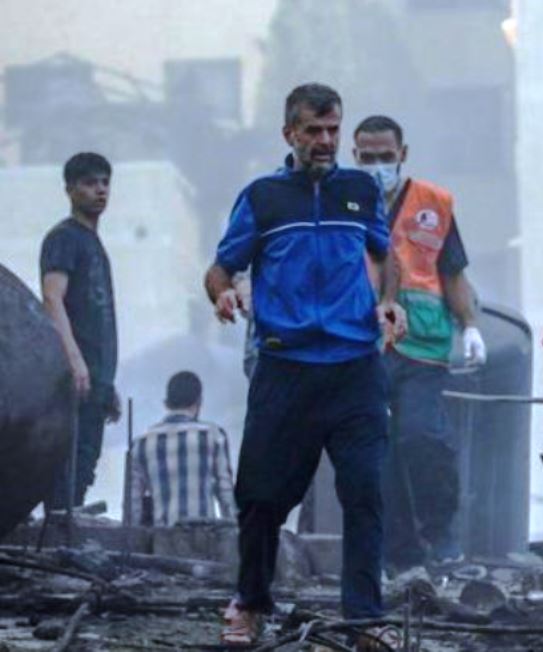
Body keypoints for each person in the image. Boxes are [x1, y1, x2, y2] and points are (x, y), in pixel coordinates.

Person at [204, 83, 406, 649]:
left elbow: (385, 254)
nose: (324, 140)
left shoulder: (360, 190)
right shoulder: (263, 197)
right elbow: (220, 268)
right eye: (313, 130)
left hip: (354, 369)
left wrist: (389, 302)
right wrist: (223, 294)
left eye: (332, 129)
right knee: (261, 497)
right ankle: (249, 603)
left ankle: (365, 620)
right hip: (285, 369)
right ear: (288, 133)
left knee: (364, 492)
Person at [352, 115, 485, 569]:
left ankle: (441, 536)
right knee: (377, 452)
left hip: (423, 346)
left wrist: (470, 326)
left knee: (422, 436)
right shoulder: (342, 202)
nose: (377, 166)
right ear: (354, 156)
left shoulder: (434, 204)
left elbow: (453, 273)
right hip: (362, 346)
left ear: (402, 154)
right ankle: (401, 554)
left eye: (385, 156)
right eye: (367, 157)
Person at [40, 152, 121, 510]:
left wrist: (106, 382)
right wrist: (74, 360)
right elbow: (52, 298)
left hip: (95, 378)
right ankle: (58, 531)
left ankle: (65, 527)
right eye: (90, 183)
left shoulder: (93, 243)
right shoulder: (65, 238)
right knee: (68, 468)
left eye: (105, 182)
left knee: (85, 464)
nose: (100, 190)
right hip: (75, 378)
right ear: (70, 190)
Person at [128, 371, 235, 527]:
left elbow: (132, 506)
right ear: (199, 402)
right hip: (205, 537)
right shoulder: (213, 436)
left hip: (163, 538)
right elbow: (226, 495)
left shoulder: (141, 444)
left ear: (166, 403)